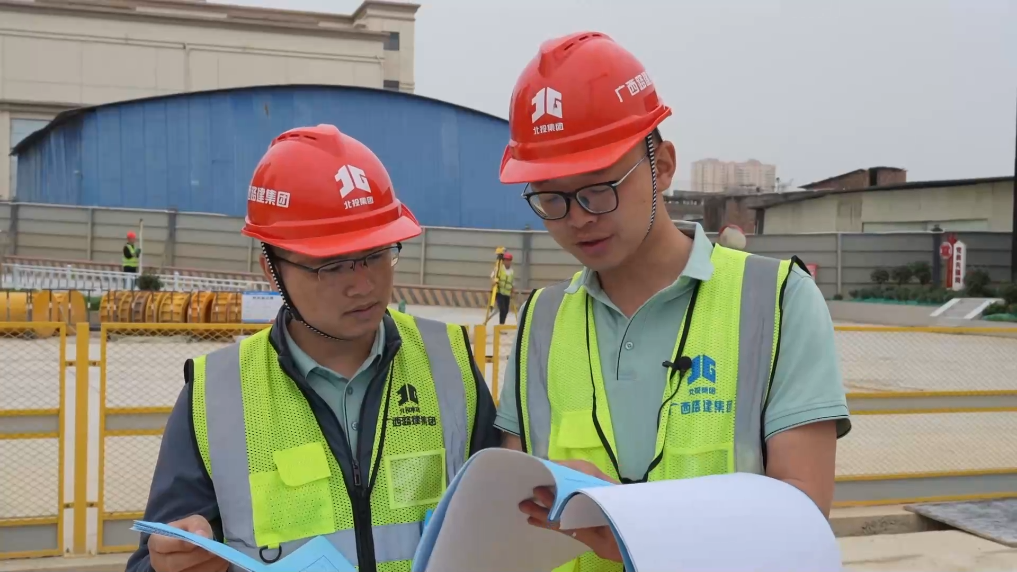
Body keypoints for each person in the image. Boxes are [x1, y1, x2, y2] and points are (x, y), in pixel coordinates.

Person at [496, 32, 851, 571]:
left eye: (599, 188)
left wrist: (633, 530)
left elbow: (802, 515)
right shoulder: (541, 320)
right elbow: (516, 508)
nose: (578, 218)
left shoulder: (776, 302)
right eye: (551, 198)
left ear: (661, 164)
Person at [125, 124, 500, 572]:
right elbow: (156, 556)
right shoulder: (217, 395)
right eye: (332, 265)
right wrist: (171, 563)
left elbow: (499, 523)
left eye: (376, 254)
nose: (363, 284)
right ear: (272, 270)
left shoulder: (448, 361)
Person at [490, 252, 515, 324]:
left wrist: (513, 291)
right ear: (503, 261)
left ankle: (502, 324)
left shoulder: (512, 271)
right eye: (506, 260)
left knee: (506, 311)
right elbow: (492, 276)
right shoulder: (499, 269)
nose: (508, 262)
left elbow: (512, 282)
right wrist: (493, 281)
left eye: (509, 260)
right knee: (502, 309)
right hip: (499, 293)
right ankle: (501, 325)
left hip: (507, 294)